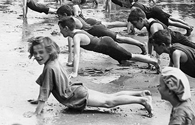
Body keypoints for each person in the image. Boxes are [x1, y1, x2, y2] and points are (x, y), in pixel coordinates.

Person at [24, 36, 154, 118]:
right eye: (35, 53)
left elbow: (45, 91)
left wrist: (37, 112)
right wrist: (38, 99)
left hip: (76, 95)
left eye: (41, 52)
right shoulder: (52, 63)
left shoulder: (49, 67)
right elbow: (44, 85)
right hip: (76, 90)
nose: (37, 55)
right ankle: (140, 93)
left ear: (49, 51)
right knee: (110, 97)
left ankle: (142, 101)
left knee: (108, 102)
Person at [58, 17, 160, 77]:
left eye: (61, 29)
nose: (60, 31)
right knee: (125, 59)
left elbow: (77, 55)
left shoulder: (77, 36)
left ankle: (153, 61)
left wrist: (75, 72)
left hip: (108, 45)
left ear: (66, 28)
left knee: (130, 56)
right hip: (106, 46)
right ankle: (147, 61)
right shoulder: (74, 33)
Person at [56, 5, 147, 59]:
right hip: (95, 29)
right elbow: (75, 7)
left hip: (96, 30)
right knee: (116, 36)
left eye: (60, 16)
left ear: (65, 15)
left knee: (118, 39)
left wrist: (71, 49)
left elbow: (74, 32)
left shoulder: (72, 20)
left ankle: (140, 44)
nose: (59, 19)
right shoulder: (71, 19)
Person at [127, 0, 193, 36]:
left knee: (170, 22)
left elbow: (132, 20)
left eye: (123, 2)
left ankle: (188, 27)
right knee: (171, 19)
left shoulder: (133, 8)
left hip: (154, 14)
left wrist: (130, 30)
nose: (123, 4)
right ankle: (187, 25)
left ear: (127, 1)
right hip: (155, 10)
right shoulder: (135, 3)